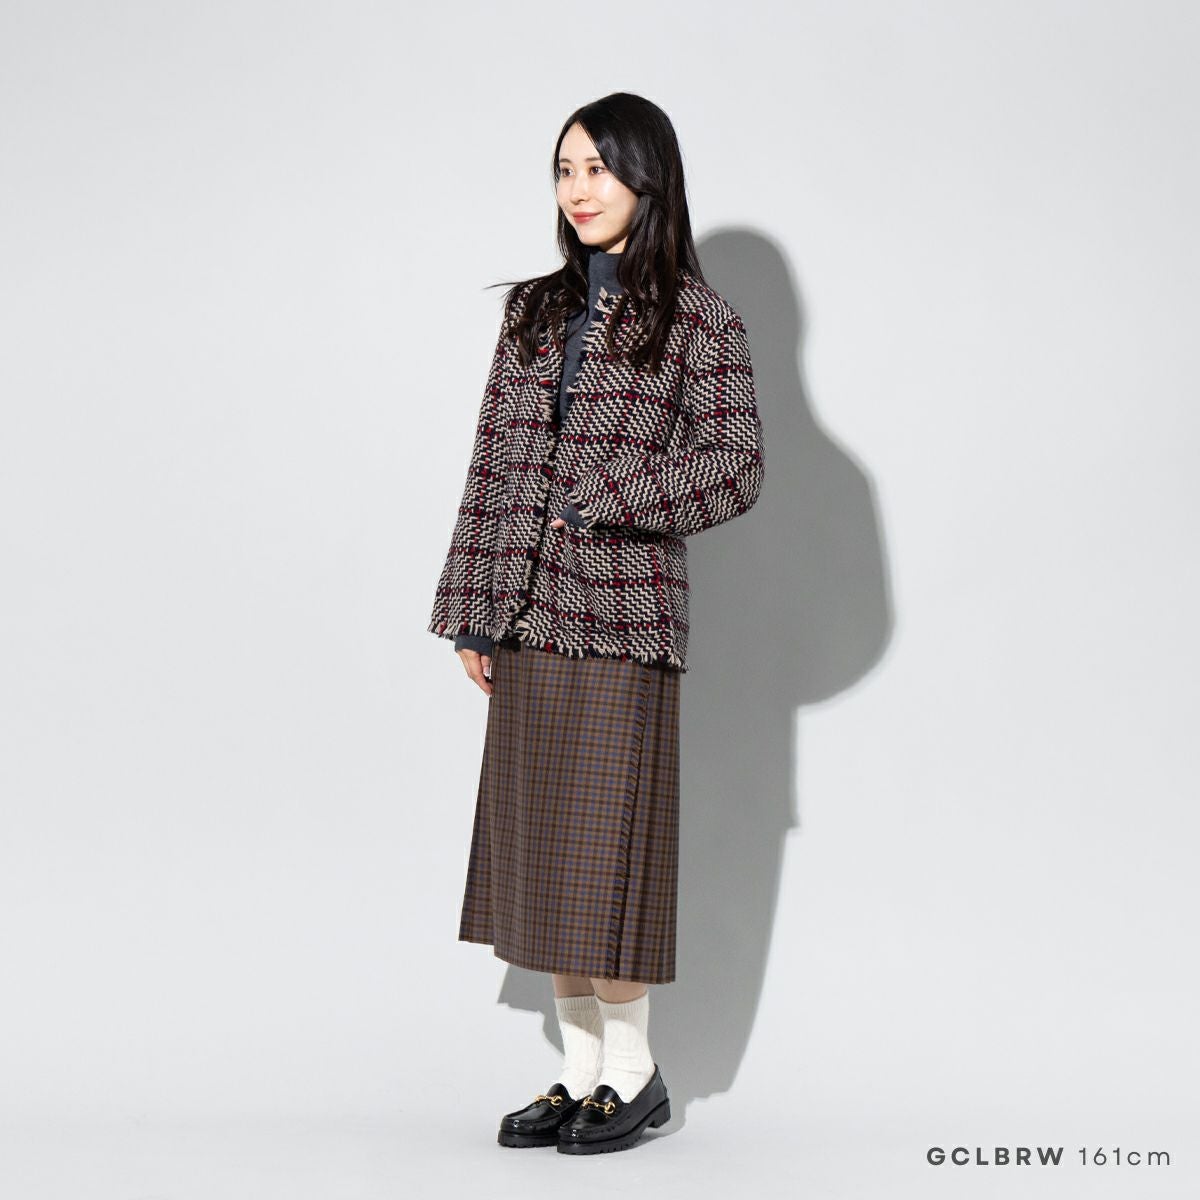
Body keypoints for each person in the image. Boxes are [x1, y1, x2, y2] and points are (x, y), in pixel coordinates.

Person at [427, 92, 765, 1154]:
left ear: (647, 178)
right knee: (545, 862)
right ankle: (580, 1076)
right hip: (526, 611)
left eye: (599, 169)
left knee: (605, 859)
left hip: (623, 619)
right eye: (565, 170)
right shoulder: (534, 310)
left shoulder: (699, 319)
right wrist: (473, 613)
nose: (578, 190)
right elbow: (493, 464)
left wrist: (614, 496)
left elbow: (737, 467)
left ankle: (635, 1075)